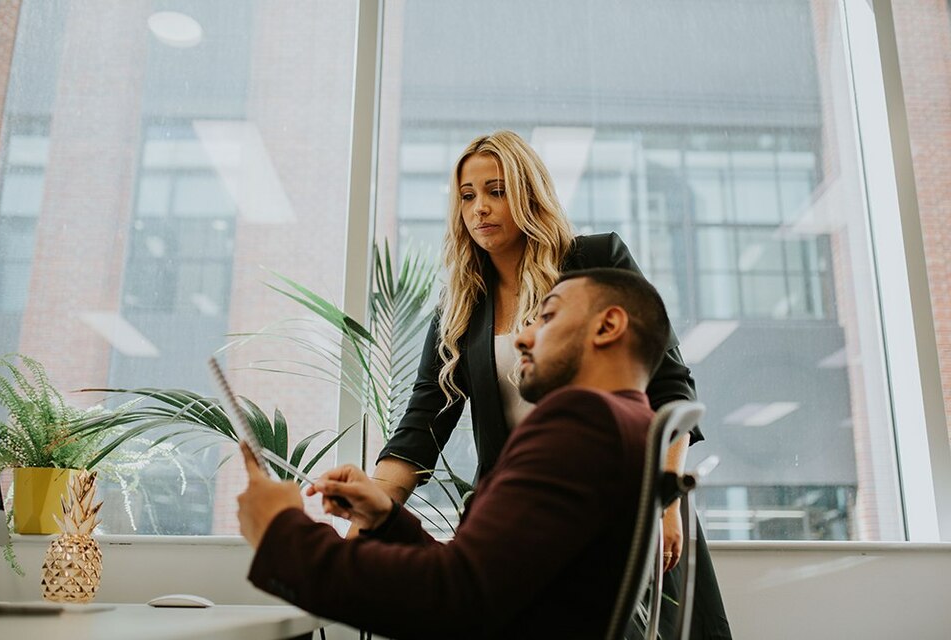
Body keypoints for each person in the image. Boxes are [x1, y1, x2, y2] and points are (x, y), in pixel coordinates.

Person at [372, 130, 730, 638]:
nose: (480, 208)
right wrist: (368, 507)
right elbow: (420, 429)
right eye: (468, 196)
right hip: (520, 524)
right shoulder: (458, 311)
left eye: (496, 190)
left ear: (528, 193)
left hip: (623, 509)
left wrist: (665, 501)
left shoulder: (597, 261)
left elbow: (668, 385)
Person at [239, 268, 678, 638]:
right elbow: (485, 581)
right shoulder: (633, 426)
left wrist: (282, 532)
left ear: (607, 326)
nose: (523, 337)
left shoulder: (582, 419)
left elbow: (454, 599)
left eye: (546, 317)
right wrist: (385, 519)